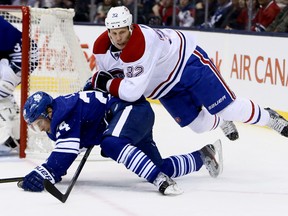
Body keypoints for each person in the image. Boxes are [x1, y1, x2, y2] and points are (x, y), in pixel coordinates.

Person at [88, 6, 288, 142]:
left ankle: (268, 117)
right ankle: (220, 121)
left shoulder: (140, 44)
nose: (118, 38)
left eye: (122, 32)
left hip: (187, 64)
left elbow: (131, 91)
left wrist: (104, 83)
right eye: (113, 33)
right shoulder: (101, 47)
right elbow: (109, 77)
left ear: (131, 27)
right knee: (199, 126)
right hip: (164, 87)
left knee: (228, 108)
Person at [19, 90, 223, 195]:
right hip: (133, 117)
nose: (41, 129)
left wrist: (45, 173)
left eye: (39, 123)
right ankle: (204, 155)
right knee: (157, 166)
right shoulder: (63, 110)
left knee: (111, 144)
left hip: (130, 110)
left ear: (49, 112)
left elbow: (64, 155)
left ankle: (161, 181)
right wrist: (51, 173)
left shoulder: (64, 115)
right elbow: (67, 152)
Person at [0, 16, 38, 155]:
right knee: (4, 96)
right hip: (15, 57)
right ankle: (17, 137)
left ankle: (8, 138)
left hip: (22, 58)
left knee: (2, 93)